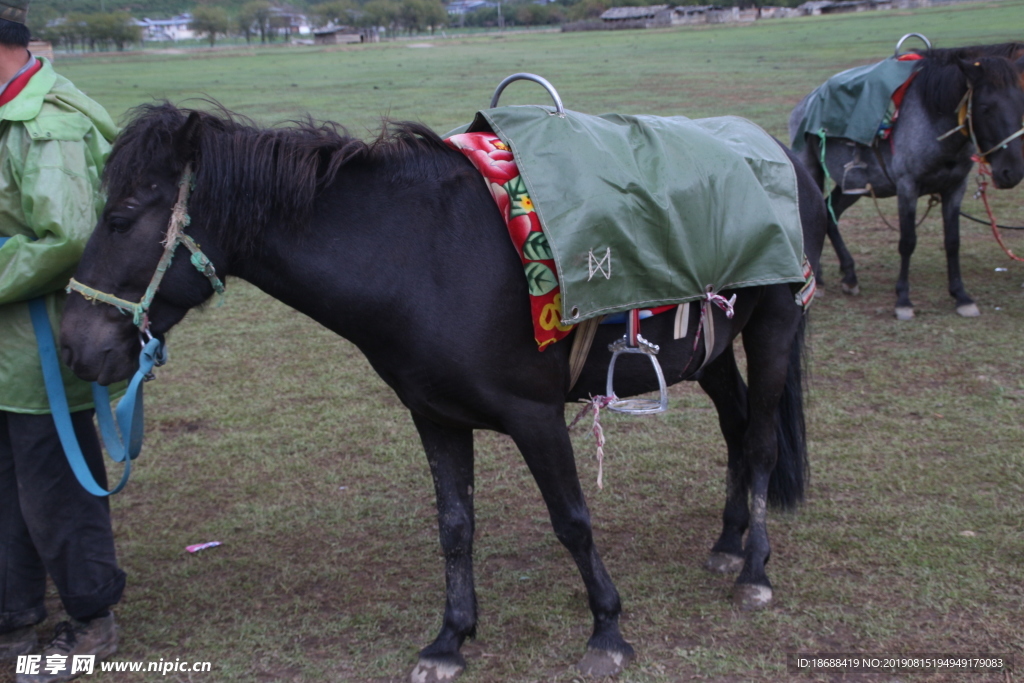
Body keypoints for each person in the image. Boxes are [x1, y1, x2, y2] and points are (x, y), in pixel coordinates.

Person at [0, 2, 125, 681]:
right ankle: (13, 615)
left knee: (54, 488)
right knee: (6, 487)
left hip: (42, 346)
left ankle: (91, 617)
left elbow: (69, 238)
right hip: (7, 345)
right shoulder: (10, 110)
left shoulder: (49, 125)